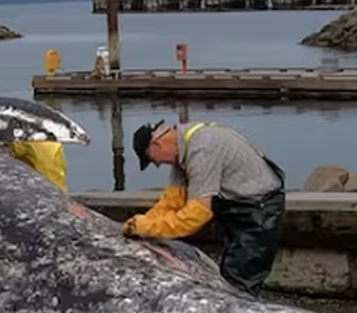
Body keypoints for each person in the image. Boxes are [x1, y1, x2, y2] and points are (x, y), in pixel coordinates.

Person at [122, 119, 286, 296]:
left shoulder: (202, 150)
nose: (157, 164)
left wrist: (149, 227)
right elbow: (171, 202)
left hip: (260, 211)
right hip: (240, 205)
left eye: (152, 158)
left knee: (239, 286)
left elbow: (197, 215)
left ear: (157, 144)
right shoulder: (183, 149)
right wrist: (140, 224)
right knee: (229, 276)